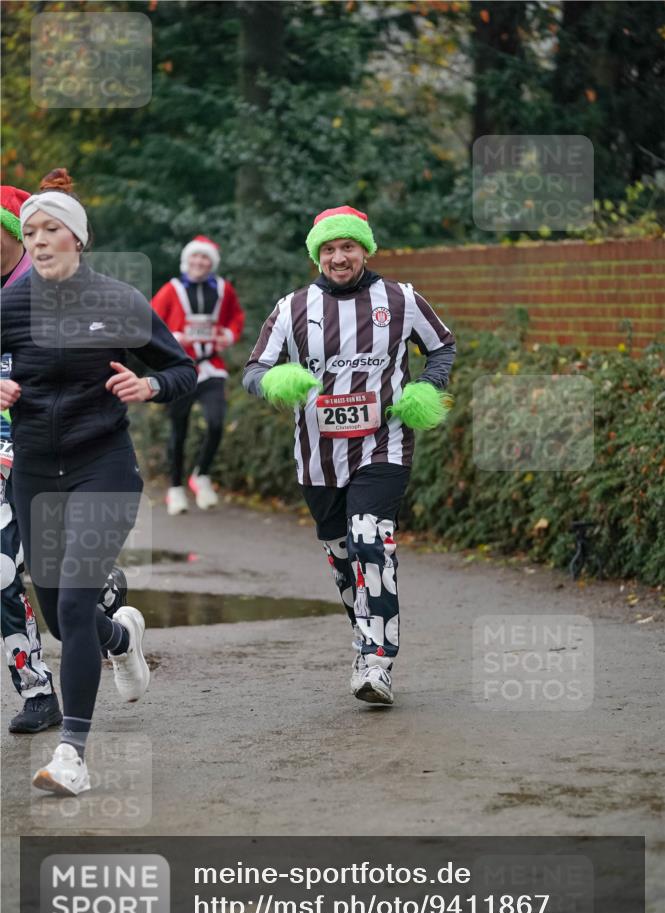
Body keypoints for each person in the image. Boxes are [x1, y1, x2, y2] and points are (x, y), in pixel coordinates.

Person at [0, 168, 197, 794]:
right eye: (30, 231)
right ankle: (123, 637)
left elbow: (183, 368)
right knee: (61, 615)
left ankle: (72, 755)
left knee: (78, 601)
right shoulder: (8, 306)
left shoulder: (117, 302)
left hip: (102, 466)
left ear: (78, 237)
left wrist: (151, 386)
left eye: (51, 228)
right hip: (34, 470)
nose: (38, 240)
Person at [243, 205, 456, 706]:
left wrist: (426, 387)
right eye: (329, 249)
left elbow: (442, 347)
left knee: (370, 540)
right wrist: (275, 380)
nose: (339, 257)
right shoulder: (293, 307)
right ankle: (363, 635)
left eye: (348, 247)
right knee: (342, 555)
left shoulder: (401, 299)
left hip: (385, 443)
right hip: (317, 456)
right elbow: (253, 369)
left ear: (365, 250)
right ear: (318, 255)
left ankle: (378, 659)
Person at [1, 186, 128, 735]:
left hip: (48, 454)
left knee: (51, 585)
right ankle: (36, 690)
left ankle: (104, 609)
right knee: (5, 571)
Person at [151, 236, 244, 514]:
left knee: (216, 422)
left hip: (211, 366)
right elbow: (151, 320)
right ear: (186, 260)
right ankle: (176, 488)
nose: (199, 262)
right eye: (195, 257)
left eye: (205, 258)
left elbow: (236, 317)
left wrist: (229, 334)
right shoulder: (172, 289)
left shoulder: (224, 289)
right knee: (179, 430)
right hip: (180, 369)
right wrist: (172, 337)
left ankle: (201, 474)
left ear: (211, 263)